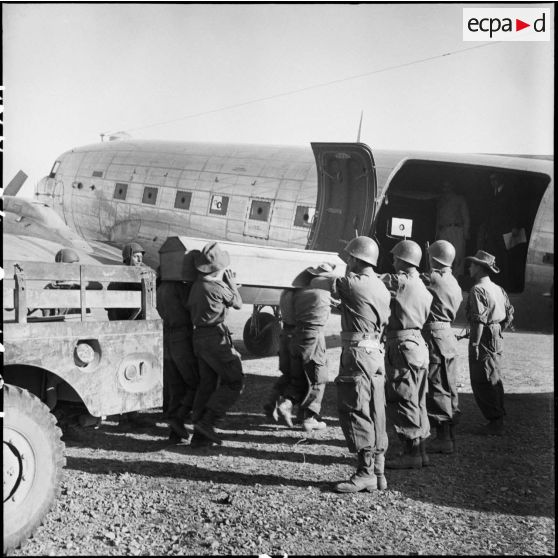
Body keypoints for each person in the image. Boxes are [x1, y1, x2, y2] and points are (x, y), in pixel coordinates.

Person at [325, 237, 391, 492]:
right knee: (376, 411)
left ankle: (365, 473)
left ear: (354, 259)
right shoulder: (381, 287)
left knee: (355, 408)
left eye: (349, 257)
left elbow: (323, 281)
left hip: (357, 354)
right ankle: (379, 472)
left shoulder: (350, 283)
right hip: (375, 352)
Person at [381, 240, 433, 469]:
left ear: (404, 260)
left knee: (402, 397)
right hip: (418, 344)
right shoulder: (421, 284)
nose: (392, 261)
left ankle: (410, 453)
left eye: (395, 258)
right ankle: (421, 452)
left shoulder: (400, 281)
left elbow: (370, 281)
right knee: (418, 399)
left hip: (402, 343)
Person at [187, 242, 244, 446]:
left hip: (199, 339)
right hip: (214, 339)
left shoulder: (196, 285)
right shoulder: (217, 287)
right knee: (235, 380)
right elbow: (238, 303)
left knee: (207, 384)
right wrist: (232, 285)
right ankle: (208, 421)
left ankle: (199, 435)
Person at [276, 263, 336, 432]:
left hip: (294, 336)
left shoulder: (295, 292)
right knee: (318, 377)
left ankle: (287, 403)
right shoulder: (321, 293)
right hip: (313, 337)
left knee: (299, 378)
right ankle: (309, 418)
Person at [465, 250, 514, 436]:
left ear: (479, 267)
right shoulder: (498, 288)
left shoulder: (478, 289)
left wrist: (475, 344)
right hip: (496, 335)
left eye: (472, 264)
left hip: (484, 335)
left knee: (482, 377)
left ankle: (495, 421)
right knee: (494, 375)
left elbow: (478, 321)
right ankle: (497, 418)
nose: (469, 267)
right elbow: (509, 313)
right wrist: (497, 329)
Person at [420, 240, 463, 454]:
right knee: (448, 384)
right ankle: (449, 433)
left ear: (433, 258)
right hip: (447, 334)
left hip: (434, 335)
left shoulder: (432, 278)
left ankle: (443, 438)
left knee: (437, 384)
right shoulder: (453, 281)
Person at [108, 242, 153, 428]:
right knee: (125, 373)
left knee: (135, 372)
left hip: (134, 332)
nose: (140, 260)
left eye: (141, 257)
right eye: (136, 256)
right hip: (124, 332)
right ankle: (123, 417)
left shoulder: (136, 276)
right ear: (127, 257)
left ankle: (131, 414)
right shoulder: (123, 278)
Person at [156, 254, 200, 444]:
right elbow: (193, 308)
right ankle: (179, 418)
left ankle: (174, 432)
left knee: (175, 387)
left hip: (166, 338)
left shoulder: (160, 288)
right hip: (181, 338)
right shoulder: (179, 288)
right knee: (195, 383)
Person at [263, 288, 296, 422]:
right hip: (296, 335)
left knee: (287, 375)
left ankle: (271, 402)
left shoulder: (285, 292)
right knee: (301, 378)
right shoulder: (303, 294)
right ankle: (289, 406)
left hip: (285, 334)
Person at [435, 180, 470, 278]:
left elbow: (465, 217)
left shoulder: (459, 199)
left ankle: (457, 280)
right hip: (443, 230)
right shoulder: (441, 200)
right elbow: (438, 217)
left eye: (448, 186)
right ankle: (443, 279)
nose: (445, 188)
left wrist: (466, 232)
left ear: (452, 187)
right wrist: (437, 232)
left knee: (457, 257)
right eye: (444, 186)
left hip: (456, 230)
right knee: (442, 256)